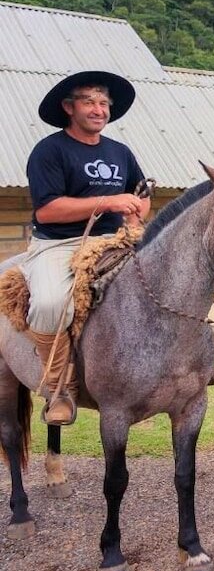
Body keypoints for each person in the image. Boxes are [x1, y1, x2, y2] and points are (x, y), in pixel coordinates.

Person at [23, 71, 150, 426]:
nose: (99, 109)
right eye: (89, 101)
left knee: (173, 277)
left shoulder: (120, 152)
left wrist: (136, 213)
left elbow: (141, 195)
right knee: (50, 303)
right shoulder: (49, 150)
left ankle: (189, 366)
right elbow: (47, 210)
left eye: (104, 103)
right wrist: (108, 201)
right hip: (60, 243)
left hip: (114, 240)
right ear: (69, 107)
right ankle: (59, 389)